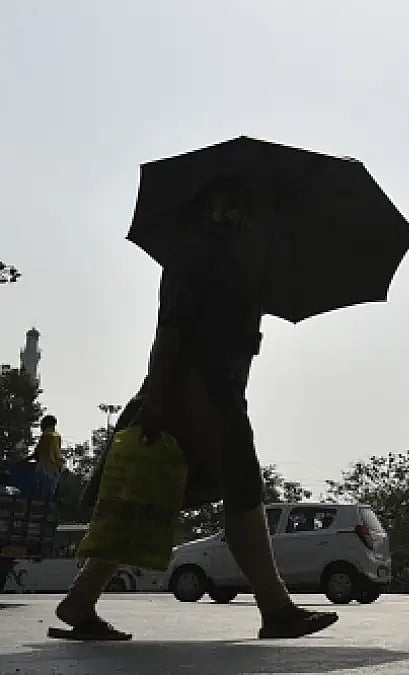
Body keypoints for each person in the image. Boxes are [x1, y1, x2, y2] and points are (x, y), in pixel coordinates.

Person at [54, 177, 338, 641]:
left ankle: (79, 600)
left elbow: (229, 338)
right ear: (211, 209)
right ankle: (277, 608)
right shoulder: (197, 255)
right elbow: (171, 331)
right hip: (198, 391)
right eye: (232, 206)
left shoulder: (229, 261)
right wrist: (160, 401)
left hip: (208, 389)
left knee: (146, 494)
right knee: (244, 490)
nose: (239, 216)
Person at [30, 415, 62, 500]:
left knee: (38, 496)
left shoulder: (47, 435)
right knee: (49, 497)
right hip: (54, 471)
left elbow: (37, 453)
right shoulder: (57, 436)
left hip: (45, 470)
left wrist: (21, 461)